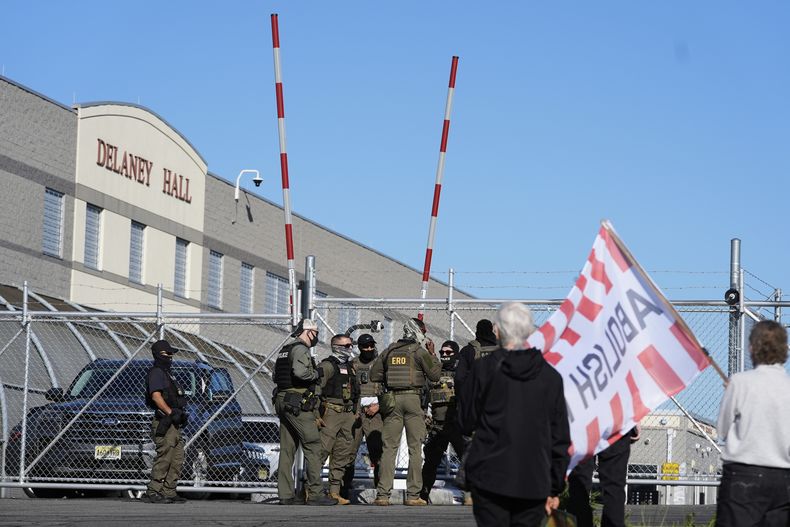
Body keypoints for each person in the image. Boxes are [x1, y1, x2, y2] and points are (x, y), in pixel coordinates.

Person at [459, 302, 570, 526]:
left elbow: (464, 421)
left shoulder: (483, 370)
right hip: (534, 480)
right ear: (530, 331)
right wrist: (555, 486)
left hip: (489, 476)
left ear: (497, 331)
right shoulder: (551, 378)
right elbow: (559, 439)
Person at [715, 320, 790, 527]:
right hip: (783, 477)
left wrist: (731, 393)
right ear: (785, 348)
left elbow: (722, 430)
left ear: (751, 348)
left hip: (743, 475)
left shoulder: (740, 382)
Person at [370, 318, 441, 506]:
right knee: (415, 449)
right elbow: (435, 375)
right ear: (417, 331)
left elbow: (373, 375)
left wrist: (390, 379)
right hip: (413, 400)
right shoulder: (419, 351)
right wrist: (433, 355)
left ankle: (383, 495)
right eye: (423, 331)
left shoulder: (389, 351)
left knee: (388, 449)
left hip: (391, 401)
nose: (424, 334)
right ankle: (413, 495)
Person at [272, 319, 337, 506]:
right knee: (313, 446)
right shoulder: (300, 349)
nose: (316, 337)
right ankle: (316, 493)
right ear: (308, 332)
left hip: (283, 400)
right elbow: (301, 373)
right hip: (297, 402)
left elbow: (276, 375)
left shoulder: (285, 349)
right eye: (315, 333)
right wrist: (316, 374)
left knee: (287, 449)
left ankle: (285, 494)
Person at [420, 340, 467, 504]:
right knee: (430, 462)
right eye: (442, 353)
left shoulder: (461, 373)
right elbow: (425, 396)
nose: (445, 355)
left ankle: (470, 496)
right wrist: (424, 416)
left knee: (467, 460)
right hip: (437, 425)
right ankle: (423, 495)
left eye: (448, 353)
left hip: (456, 425)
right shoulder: (435, 374)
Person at [567, 426, 640, 527]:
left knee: (579, 484)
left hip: (584, 422)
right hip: (616, 420)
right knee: (614, 486)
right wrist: (635, 421)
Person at [143, 339, 188, 504]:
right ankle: (153, 491)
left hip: (173, 423)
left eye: (171, 354)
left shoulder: (168, 373)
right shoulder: (156, 372)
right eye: (166, 353)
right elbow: (156, 396)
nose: (169, 356)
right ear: (158, 355)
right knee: (165, 456)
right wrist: (170, 413)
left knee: (177, 456)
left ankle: (169, 491)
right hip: (165, 421)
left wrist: (180, 414)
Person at [318, 334, 360, 505]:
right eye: (346, 345)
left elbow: (356, 392)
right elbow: (316, 390)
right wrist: (316, 415)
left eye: (351, 345)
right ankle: (311, 490)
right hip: (331, 413)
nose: (350, 348)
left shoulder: (350, 367)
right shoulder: (327, 366)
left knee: (342, 454)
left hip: (347, 414)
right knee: (321, 451)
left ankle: (334, 492)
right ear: (336, 347)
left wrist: (355, 412)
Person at [343, 333, 384, 498]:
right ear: (359, 348)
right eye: (365, 346)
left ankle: (382, 492)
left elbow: (390, 389)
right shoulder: (353, 364)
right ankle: (343, 490)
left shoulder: (381, 364)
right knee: (349, 452)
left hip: (376, 414)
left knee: (379, 453)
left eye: (371, 346)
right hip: (357, 413)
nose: (369, 349)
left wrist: (379, 405)